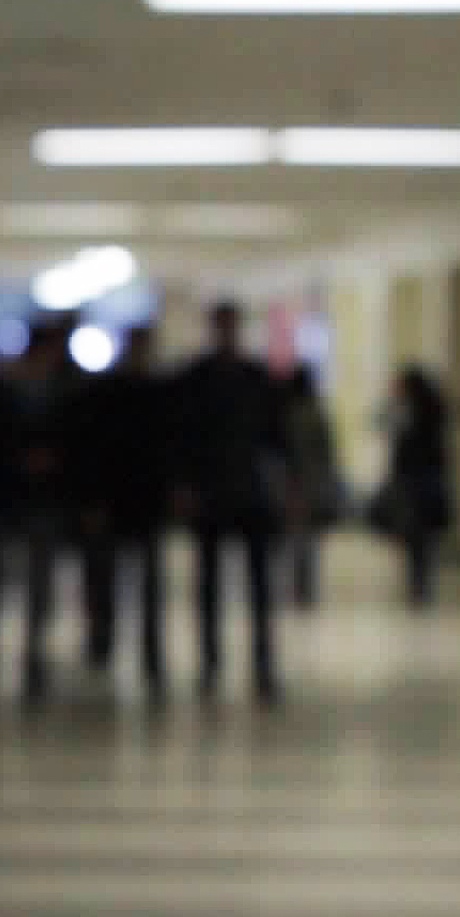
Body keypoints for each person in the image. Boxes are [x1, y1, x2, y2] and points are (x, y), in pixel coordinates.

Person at [171, 301, 289, 705]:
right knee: (209, 585)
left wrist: (285, 486)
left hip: (251, 493)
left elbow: (276, 437)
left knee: (260, 585)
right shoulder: (195, 379)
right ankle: (211, 662)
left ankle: (263, 662)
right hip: (210, 493)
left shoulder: (257, 379)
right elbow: (182, 438)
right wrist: (185, 486)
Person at [0, 317, 79, 701]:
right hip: (7, 498)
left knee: (39, 580)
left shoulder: (61, 393)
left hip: (44, 500)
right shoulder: (1, 392)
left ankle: (32, 649)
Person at [70, 325, 172, 700]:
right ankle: (102, 642)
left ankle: (149, 652)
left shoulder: (159, 395)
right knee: (103, 580)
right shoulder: (106, 396)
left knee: (148, 585)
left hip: (145, 504)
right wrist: (92, 500)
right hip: (113, 503)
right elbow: (93, 452)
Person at [373, 366, 453, 606]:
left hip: (412, 478)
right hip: (429, 476)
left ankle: (417, 583)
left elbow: (381, 423)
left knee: (414, 533)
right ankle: (421, 583)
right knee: (424, 536)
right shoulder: (434, 409)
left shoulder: (409, 410)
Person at [279, 365, 341, 607]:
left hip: (294, 484)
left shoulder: (287, 413)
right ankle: (305, 587)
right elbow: (327, 452)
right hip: (313, 484)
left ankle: (298, 586)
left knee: (295, 539)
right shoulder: (316, 412)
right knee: (309, 541)